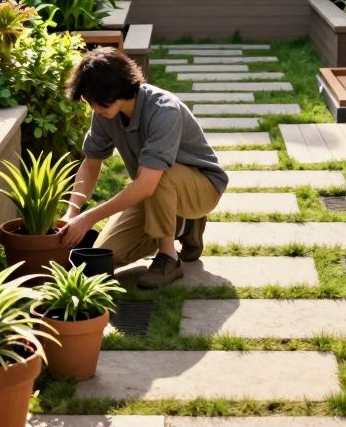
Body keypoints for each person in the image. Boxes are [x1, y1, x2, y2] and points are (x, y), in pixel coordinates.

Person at [57, 48, 228, 288]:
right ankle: (182, 223)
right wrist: (72, 213)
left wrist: (89, 218)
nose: (94, 108)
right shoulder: (104, 112)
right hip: (155, 191)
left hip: (202, 187)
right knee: (107, 254)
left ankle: (168, 257)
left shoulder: (163, 110)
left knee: (158, 177)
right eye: (90, 102)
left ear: (117, 89)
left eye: (97, 101)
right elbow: (91, 162)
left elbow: (147, 184)